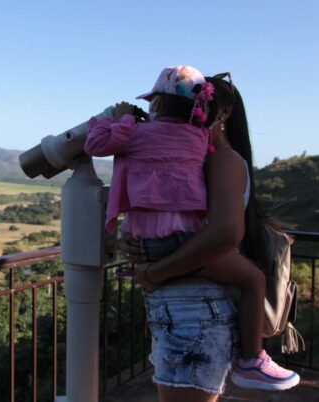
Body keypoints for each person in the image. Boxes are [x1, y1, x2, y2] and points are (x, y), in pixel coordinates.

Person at [84, 67, 299, 400]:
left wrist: (155, 270)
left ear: (222, 112)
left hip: (193, 312)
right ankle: (252, 360)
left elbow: (223, 234)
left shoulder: (222, 160)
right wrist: (137, 237)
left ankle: (253, 359)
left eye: (200, 106)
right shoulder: (197, 155)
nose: (192, 113)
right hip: (187, 311)